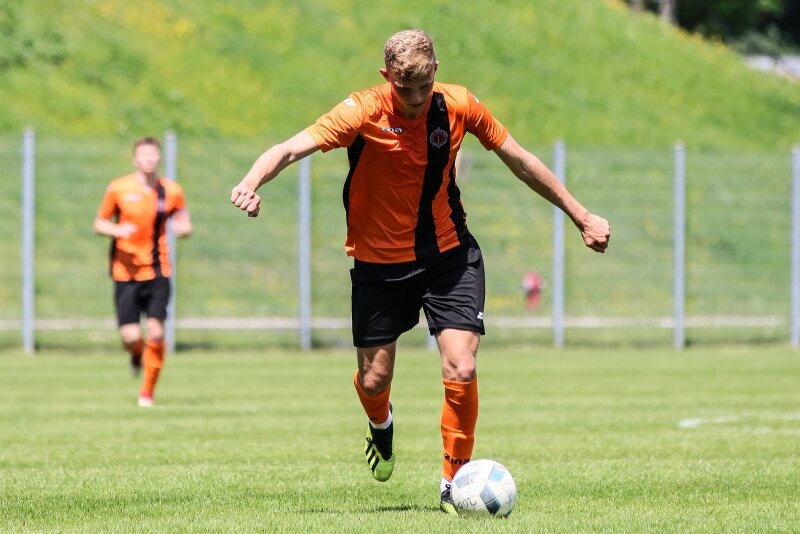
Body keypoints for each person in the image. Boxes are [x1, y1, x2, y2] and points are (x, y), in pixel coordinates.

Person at [230, 29, 610, 513]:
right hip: (378, 264)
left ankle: (454, 484)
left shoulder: (459, 104)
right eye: (404, 88)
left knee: (462, 365)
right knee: (373, 380)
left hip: (448, 255)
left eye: (424, 86)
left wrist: (581, 215)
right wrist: (251, 181)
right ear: (386, 76)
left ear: (436, 72)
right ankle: (381, 427)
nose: (414, 99)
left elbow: (520, 160)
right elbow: (288, 149)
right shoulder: (361, 111)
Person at [94, 136, 192, 408]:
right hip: (125, 273)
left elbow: (184, 221)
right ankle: (137, 354)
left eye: (153, 154)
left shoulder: (171, 191)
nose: (148, 159)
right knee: (131, 337)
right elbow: (99, 223)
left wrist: (185, 229)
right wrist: (117, 230)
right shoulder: (118, 188)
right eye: (143, 154)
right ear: (134, 159)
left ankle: (147, 392)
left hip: (158, 271)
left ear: (159, 158)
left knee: (156, 333)